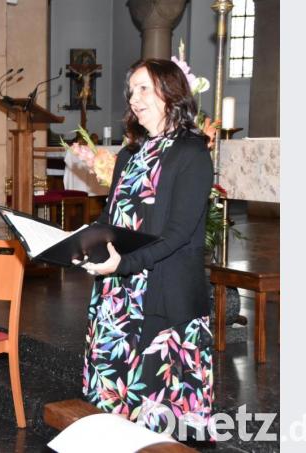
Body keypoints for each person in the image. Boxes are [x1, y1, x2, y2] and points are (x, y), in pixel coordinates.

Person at [75, 59, 214, 439]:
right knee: (113, 410)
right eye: (131, 91)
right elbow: (111, 217)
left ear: (171, 93)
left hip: (163, 295)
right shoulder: (129, 154)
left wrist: (123, 264)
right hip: (116, 296)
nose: (134, 99)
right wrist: (77, 243)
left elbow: (178, 234)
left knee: (158, 423)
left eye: (144, 89)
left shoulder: (191, 153)